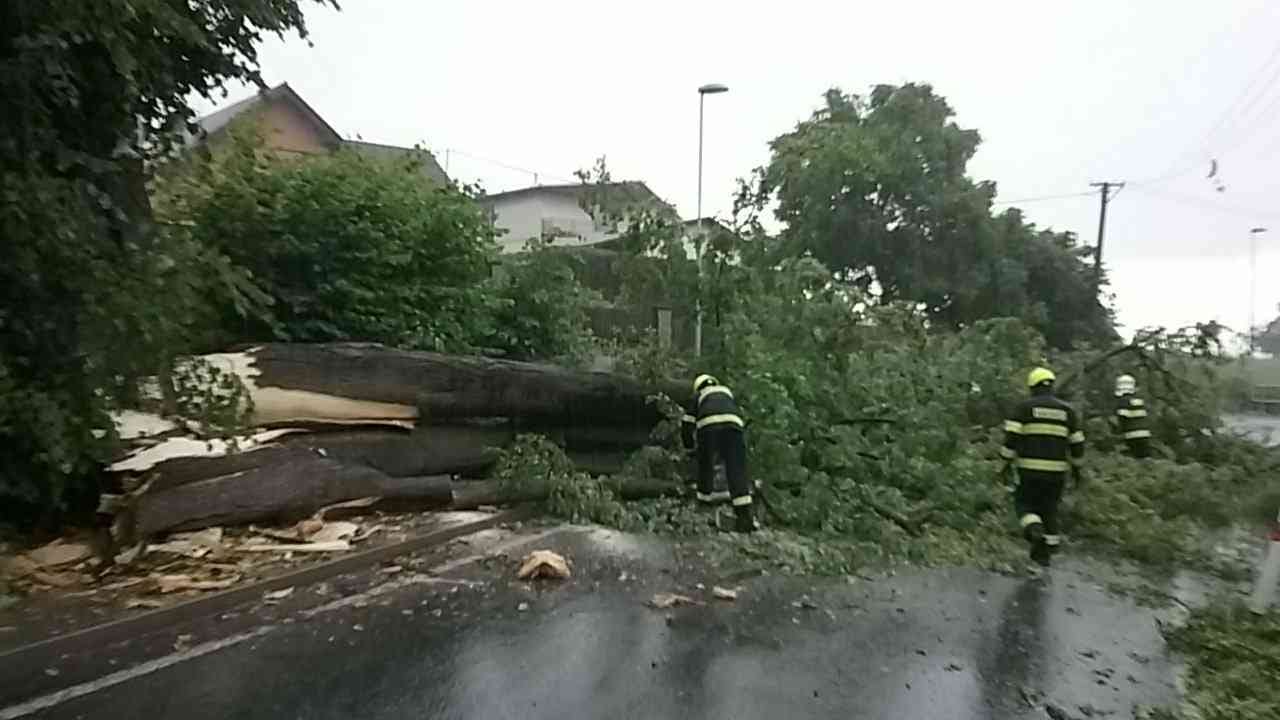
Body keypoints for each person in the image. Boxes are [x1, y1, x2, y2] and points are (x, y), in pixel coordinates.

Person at [1000, 367, 1085, 575]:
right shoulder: (1068, 411)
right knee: (1050, 509)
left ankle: (1033, 530)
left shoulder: (1024, 409)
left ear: (1032, 387)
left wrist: (1004, 463)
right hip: (1057, 473)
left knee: (1023, 504)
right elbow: (1077, 444)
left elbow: (1011, 439)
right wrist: (1077, 469)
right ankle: (1045, 555)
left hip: (1029, 470)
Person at [681, 373, 754, 532]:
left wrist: (689, 447)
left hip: (708, 427)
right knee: (736, 469)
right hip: (734, 427)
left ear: (698, 387)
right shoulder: (727, 392)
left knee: (705, 464)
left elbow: (687, 422)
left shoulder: (699, 395)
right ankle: (744, 517)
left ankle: (703, 507)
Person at [1113, 374, 1151, 458]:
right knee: (1145, 458)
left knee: (1136, 458)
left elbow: (1123, 417)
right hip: (1145, 434)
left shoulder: (1123, 401)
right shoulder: (1139, 400)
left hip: (1132, 435)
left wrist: (1117, 430)